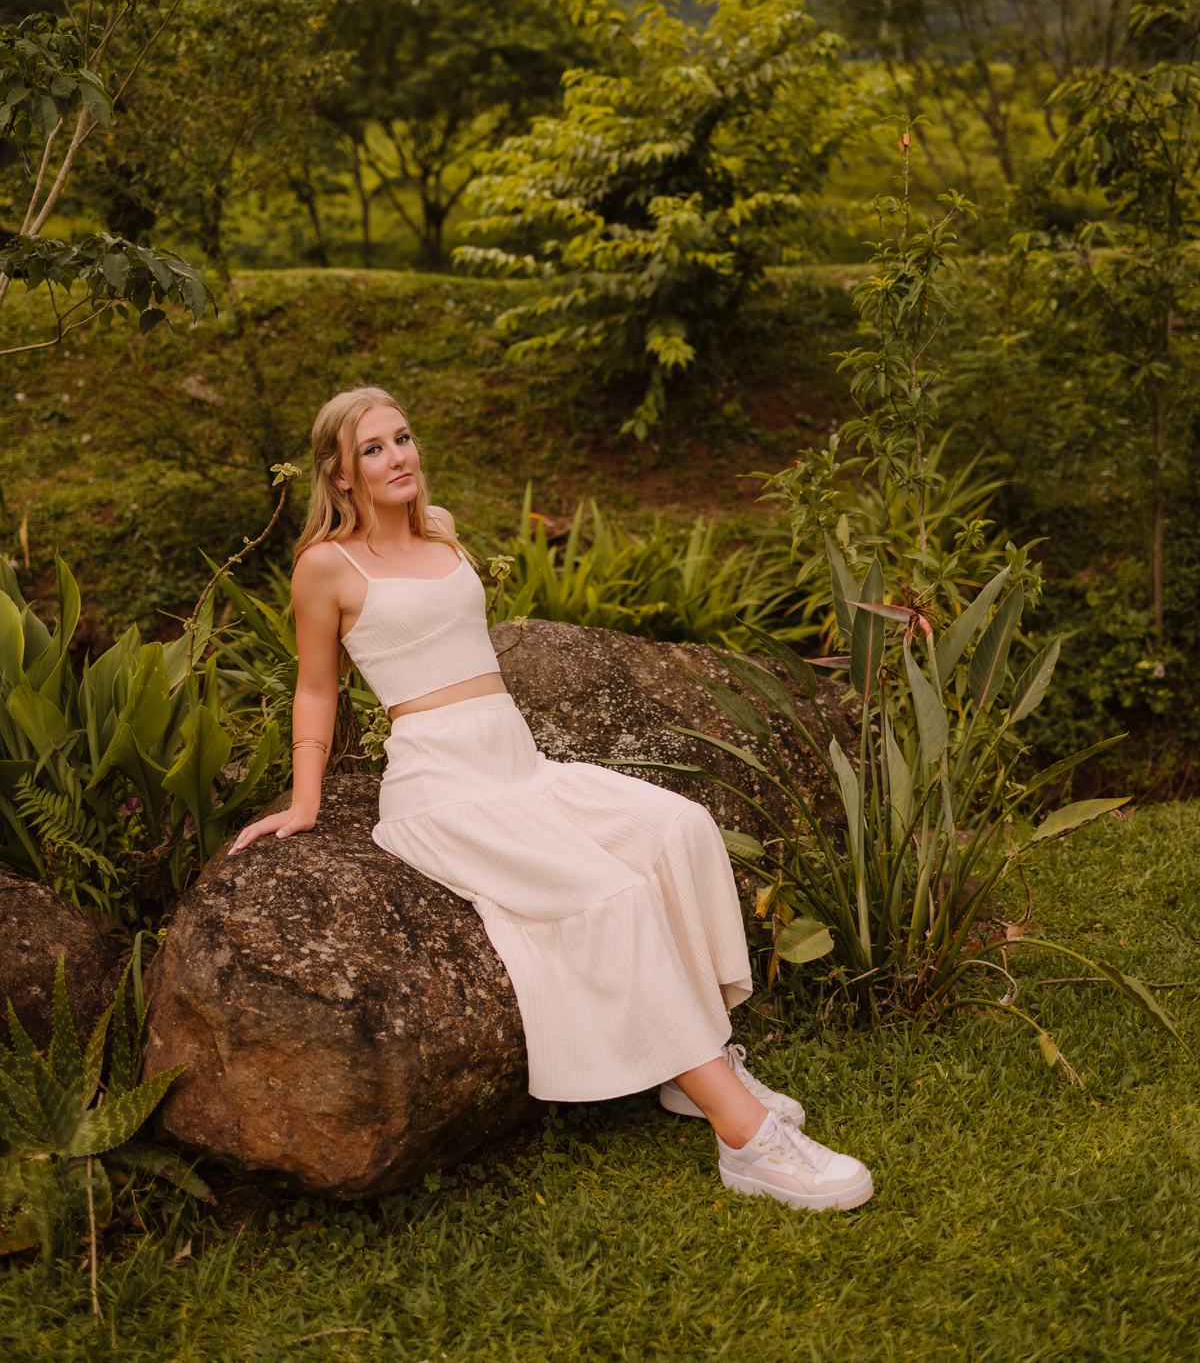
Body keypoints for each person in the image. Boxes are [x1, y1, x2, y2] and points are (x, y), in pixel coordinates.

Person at [230, 386, 873, 1213]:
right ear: (340, 474)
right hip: (442, 786)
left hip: (520, 764)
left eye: (404, 437)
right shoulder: (328, 566)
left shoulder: (444, 531)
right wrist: (308, 800)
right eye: (374, 449)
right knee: (609, 898)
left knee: (679, 831)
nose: (399, 458)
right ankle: (745, 1137)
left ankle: (697, 1058)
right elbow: (315, 689)